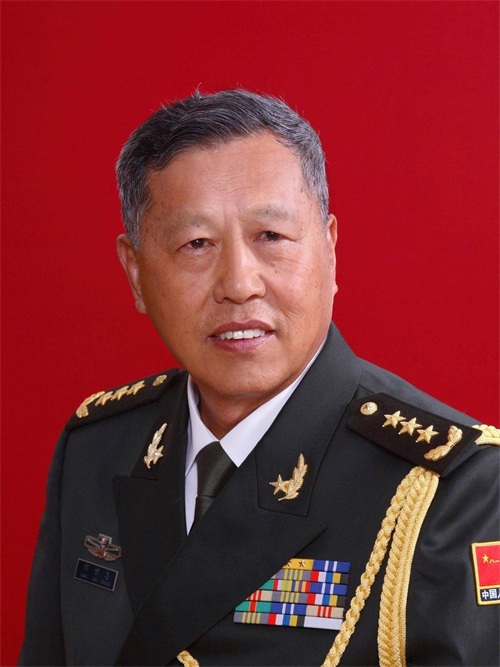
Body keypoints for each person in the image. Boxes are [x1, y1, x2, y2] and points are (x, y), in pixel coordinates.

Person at [19, 90, 499, 667]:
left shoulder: (453, 486)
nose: (239, 284)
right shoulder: (98, 446)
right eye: (196, 244)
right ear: (136, 273)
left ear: (330, 250)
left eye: (270, 237)